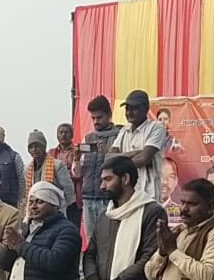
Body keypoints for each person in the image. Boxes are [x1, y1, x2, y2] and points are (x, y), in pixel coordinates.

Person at [109, 90, 168, 202]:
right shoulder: (124, 130)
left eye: (134, 109)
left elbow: (143, 159)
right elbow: (109, 158)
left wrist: (119, 161)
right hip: (125, 193)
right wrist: (133, 153)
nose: (129, 113)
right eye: (127, 109)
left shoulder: (156, 128)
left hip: (148, 194)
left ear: (145, 109)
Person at [80, 95, 123, 242]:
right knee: (91, 240)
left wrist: (107, 153)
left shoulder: (119, 136)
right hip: (88, 198)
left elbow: (122, 166)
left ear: (109, 114)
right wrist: (76, 159)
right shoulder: (88, 138)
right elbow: (79, 172)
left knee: (109, 239)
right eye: (93, 118)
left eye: (99, 117)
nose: (95, 122)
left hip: (108, 198)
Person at [24, 130, 75, 216]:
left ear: (43, 147)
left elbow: (68, 190)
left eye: (37, 146)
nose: (34, 149)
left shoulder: (57, 165)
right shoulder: (27, 169)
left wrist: (60, 207)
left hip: (55, 212)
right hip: (35, 212)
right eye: (31, 147)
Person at [50, 122, 83, 230]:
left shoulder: (78, 151)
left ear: (72, 135)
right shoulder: (51, 153)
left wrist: (61, 174)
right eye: (61, 132)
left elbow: (78, 174)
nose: (63, 135)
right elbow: (49, 172)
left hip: (73, 199)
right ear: (57, 135)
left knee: (73, 229)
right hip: (56, 199)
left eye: (66, 132)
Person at [160, 157, 181, 223]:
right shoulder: (138, 209)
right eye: (160, 176)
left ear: (176, 181)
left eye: (171, 176)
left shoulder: (182, 214)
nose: (165, 182)